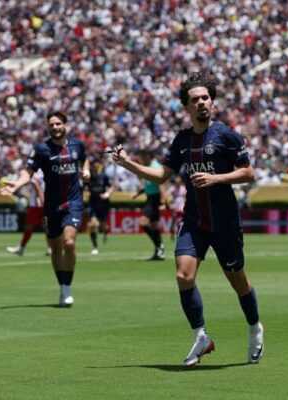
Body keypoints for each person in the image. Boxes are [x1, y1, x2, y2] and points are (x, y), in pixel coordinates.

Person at [112, 71, 264, 366]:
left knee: (238, 281)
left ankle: (255, 326)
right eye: (195, 99)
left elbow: (248, 173)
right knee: (183, 275)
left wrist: (216, 178)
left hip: (225, 222)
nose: (202, 103)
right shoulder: (182, 140)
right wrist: (128, 163)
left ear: (212, 101)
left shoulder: (227, 135)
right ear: (187, 106)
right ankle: (201, 336)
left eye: (206, 98)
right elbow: (162, 175)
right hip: (194, 220)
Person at [1, 111, 90, 307]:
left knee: (69, 242)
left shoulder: (77, 145)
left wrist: (86, 170)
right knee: (56, 248)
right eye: (52, 124)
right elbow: (28, 172)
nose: (55, 127)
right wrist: (17, 184)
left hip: (73, 202)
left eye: (58, 123)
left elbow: (84, 159)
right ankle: (62, 288)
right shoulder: (41, 149)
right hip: (51, 206)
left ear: (65, 125)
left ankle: (68, 287)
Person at [6, 170, 52, 256]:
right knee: (47, 226)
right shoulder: (43, 172)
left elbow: (36, 186)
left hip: (36, 205)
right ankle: (51, 248)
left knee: (29, 227)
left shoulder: (35, 173)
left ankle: (21, 248)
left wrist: (40, 199)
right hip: (44, 203)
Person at [132, 150, 166, 261]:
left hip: (154, 199)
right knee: (154, 226)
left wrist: (163, 202)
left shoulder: (155, 167)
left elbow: (161, 184)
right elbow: (149, 184)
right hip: (150, 198)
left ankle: (159, 246)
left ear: (147, 156)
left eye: (141, 157)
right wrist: (139, 193)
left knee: (143, 222)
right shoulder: (148, 166)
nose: (140, 160)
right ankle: (159, 250)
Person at [86, 158, 113, 255]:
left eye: (97, 164)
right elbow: (83, 187)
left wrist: (107, 194)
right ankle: (94, 246)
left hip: (103, 204)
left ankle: (105, 232)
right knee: (93, 225)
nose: (96, 166)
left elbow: (111, 186)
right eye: (94, 165)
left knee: (104, 226)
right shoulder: (88, 177)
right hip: (93, 204)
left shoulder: (104, 176)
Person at [169, 175, 186, 240]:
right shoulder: (172, 188)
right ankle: (172, 233)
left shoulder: (183, 188)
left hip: (181, 206)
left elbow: (185, 197)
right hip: (175, 206)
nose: (177, 182)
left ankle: (179, 233)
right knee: (173, 221)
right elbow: (167, 197)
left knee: (180, 221)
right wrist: (170, 204)